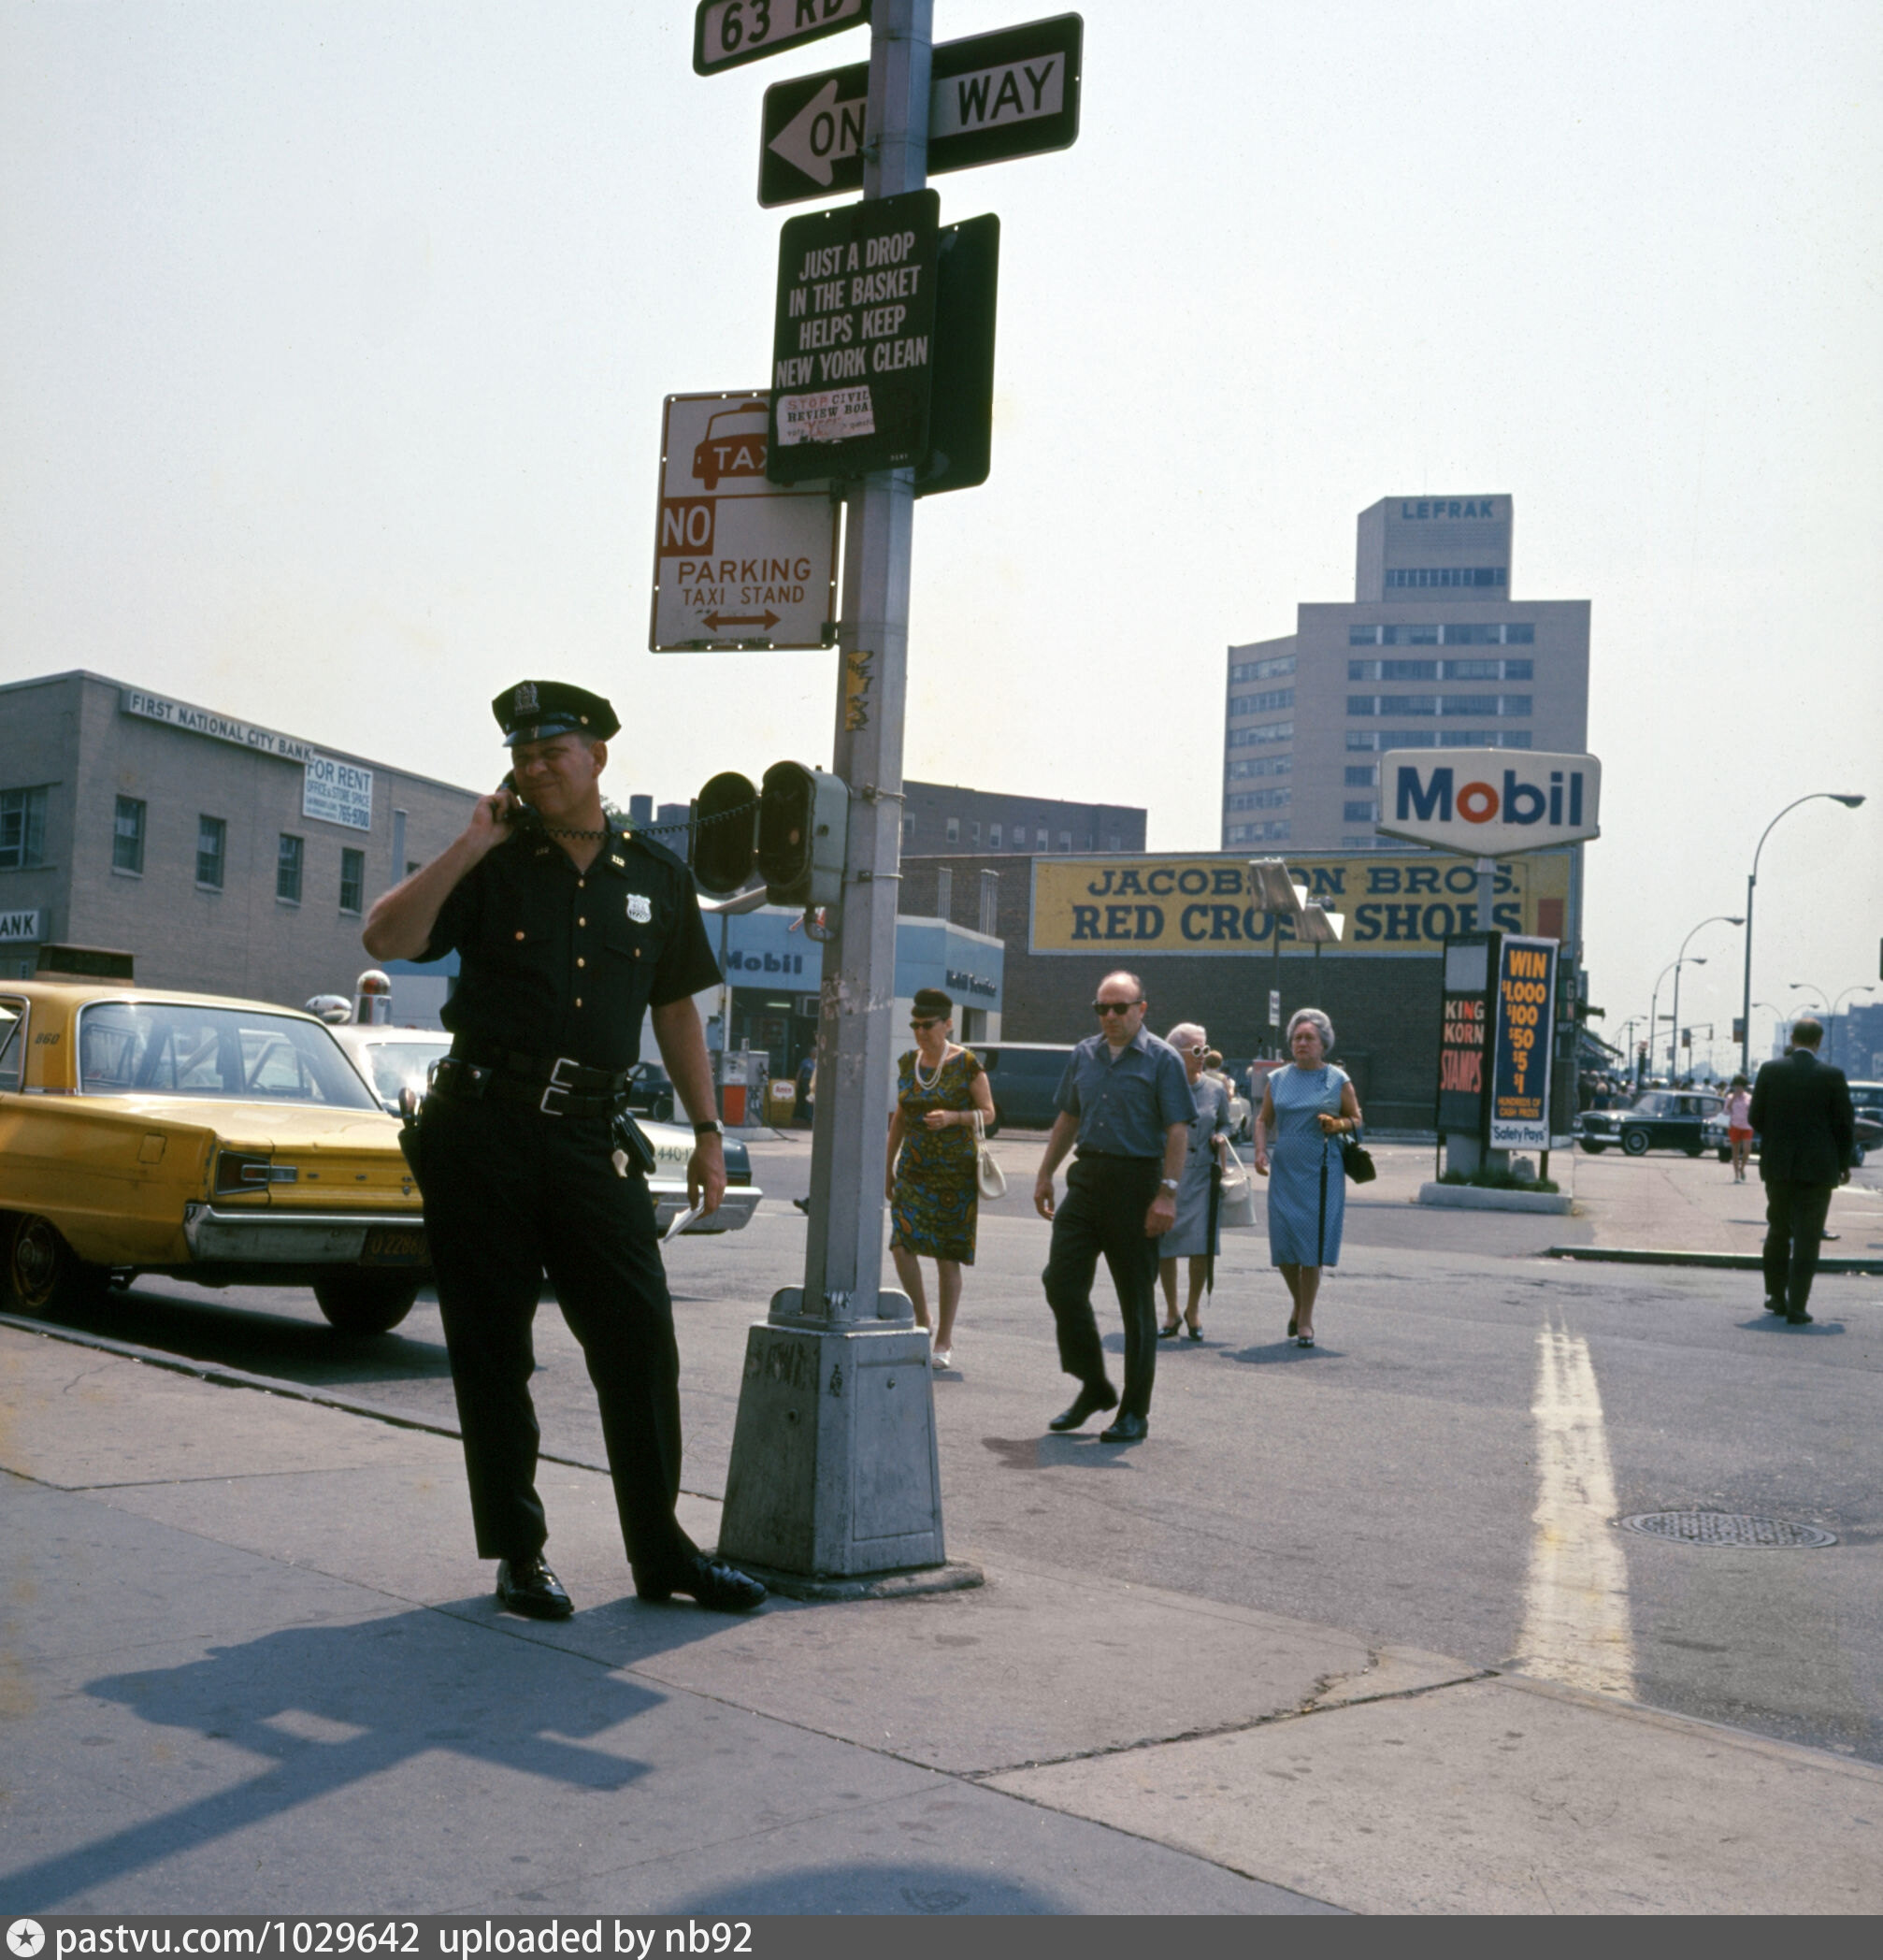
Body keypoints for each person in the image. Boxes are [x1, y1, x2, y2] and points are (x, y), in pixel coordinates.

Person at [361, 679, 766, 1620]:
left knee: (639, 1341)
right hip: (483, 1129)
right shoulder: (491, 860)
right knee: (493, 1347)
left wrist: (709, 1133)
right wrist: (471, 842)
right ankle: (520, 1553)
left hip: (592, 1137)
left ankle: (663, 1552)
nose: (536, 768)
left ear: (597, 757)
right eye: (522, 756)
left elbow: (676, 1011)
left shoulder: (655, 876)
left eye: (553, 752)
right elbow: (386, 935)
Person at [1031, 971, 1195, 1442]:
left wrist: (1167, 1194)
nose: (1109, 1016)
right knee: (1060, 1281)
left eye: (1119, 1008)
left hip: (1137, 1184)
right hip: (1087, 1180)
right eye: (1101, 1008)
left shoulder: (1163, 1059)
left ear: (1141, 1009)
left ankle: (1134, 1413)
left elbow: (1178, 1130)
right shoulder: (1084, 1054)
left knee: (1136, 1302)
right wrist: (1045, 1173)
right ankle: (1094, 1385)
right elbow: (1069, 1116)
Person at [885, 987, 996, 1372]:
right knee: (901, 1244)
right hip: (914, 1169)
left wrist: (953, 1117)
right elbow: (900, 1118)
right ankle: (922, 1318)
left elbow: (988, 1112)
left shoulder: (966, 1063)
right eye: (915, 1025)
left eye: (927, 1025)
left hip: (954, 1173)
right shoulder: (908, 1062)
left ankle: (944, 1338)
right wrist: (887, 1166)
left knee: (947, 1256)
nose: (920, 1032)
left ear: (947, 1024)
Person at [1253, 1007, 1363, 1349]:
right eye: (1297, 1038)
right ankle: (1300, 1303)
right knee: (1284, 1245)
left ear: (1323, 1043)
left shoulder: (1337, 1079)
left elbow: (1357, 1119)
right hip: (1285, 1169)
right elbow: (1263, 1120)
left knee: (1311, 1247)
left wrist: (1338, 1123)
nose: (1302, 1043)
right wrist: (1260, 1151)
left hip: (1322, 1170)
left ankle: (1305, 1320)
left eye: (1309, 1038)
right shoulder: (1278, 1079)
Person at [1748, 1016, 1856, 1325]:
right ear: (1819, 1042)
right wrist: (1843, 1163)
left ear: (1792, 1038)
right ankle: (1797, 1305)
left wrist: (1778, 1137)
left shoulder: (1771, 1070)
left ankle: (1775, 1295)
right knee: (1808, 1237)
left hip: (1779, 1165)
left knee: (1778, 1230)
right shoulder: (1832, 1075)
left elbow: (1755, 1117)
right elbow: (1844, 1125)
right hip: (1819, 1168)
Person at [1157, 1023, 1234, 1340]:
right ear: (1176, 1053)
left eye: (1206, 1049)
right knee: (1166, 1245)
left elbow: (1227, 1123)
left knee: (1201, 1246)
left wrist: (1221, 1136)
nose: (1203, 1055)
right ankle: (1172, 1310)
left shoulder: (1216, 1089)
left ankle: (1193, 1309)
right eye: (1197, 1050)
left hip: (1203, 1177)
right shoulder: (1161, 1085)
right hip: (1168, 1177)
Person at [1723, 1073, 1754, 1183]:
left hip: (1747, 1126)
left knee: (1747, 1149)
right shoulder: (1730, 1097)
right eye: (1736, 1085)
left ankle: (1742, 1168)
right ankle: (1736, 1175)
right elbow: (1726, 1111)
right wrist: (1733, 1098)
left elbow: (1752, 1111)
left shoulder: (1749, 1097)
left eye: (1741, 1085)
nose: (1738, 1087)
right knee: (1735, 1152)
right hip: (1734, 1125)